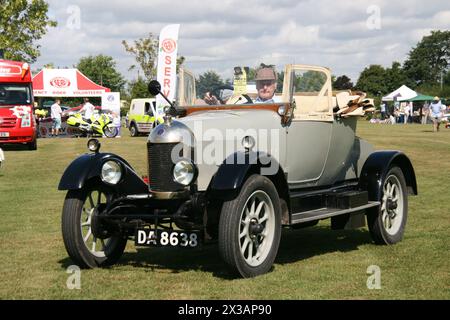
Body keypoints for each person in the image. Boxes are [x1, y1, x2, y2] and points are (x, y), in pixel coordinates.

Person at [204, 66, 279, 105]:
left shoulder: (283, 105)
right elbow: (228, 114)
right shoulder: (245, 103)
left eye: (268, 84)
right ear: (256, 85)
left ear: (275, 85)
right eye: (261, 84)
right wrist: (215, 103)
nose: (265, 87)